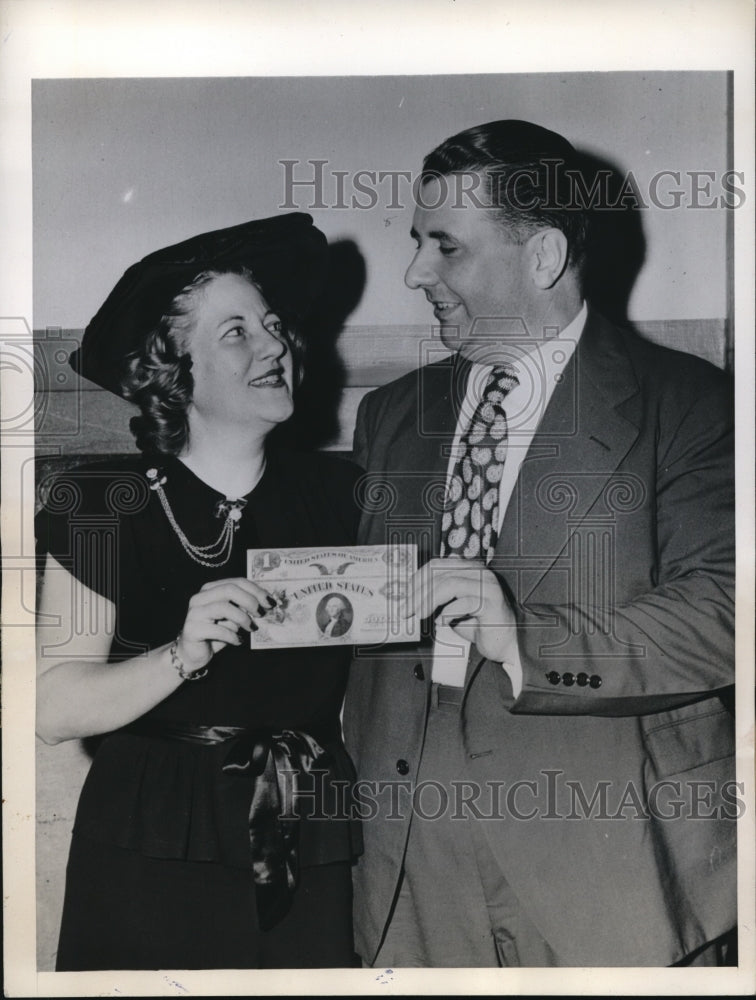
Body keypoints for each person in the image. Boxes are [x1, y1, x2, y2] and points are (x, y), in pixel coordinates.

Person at [343, 120, 736, 967]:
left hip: (607, 839)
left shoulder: (694, 405)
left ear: (544, 255)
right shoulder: (388, 416)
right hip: (408, 849)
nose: (414, 273)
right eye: (417, 243)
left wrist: (522, 636)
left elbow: (729, 608)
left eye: (444, 247)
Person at [35, 214, 361, 970]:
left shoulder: (344, 495)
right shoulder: (101, 501)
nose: (275, 345)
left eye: (274, 326)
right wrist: (180, 655)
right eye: (237, 333)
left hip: (308, 826)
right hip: (154, 832)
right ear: (171, 372)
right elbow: (51, 707)